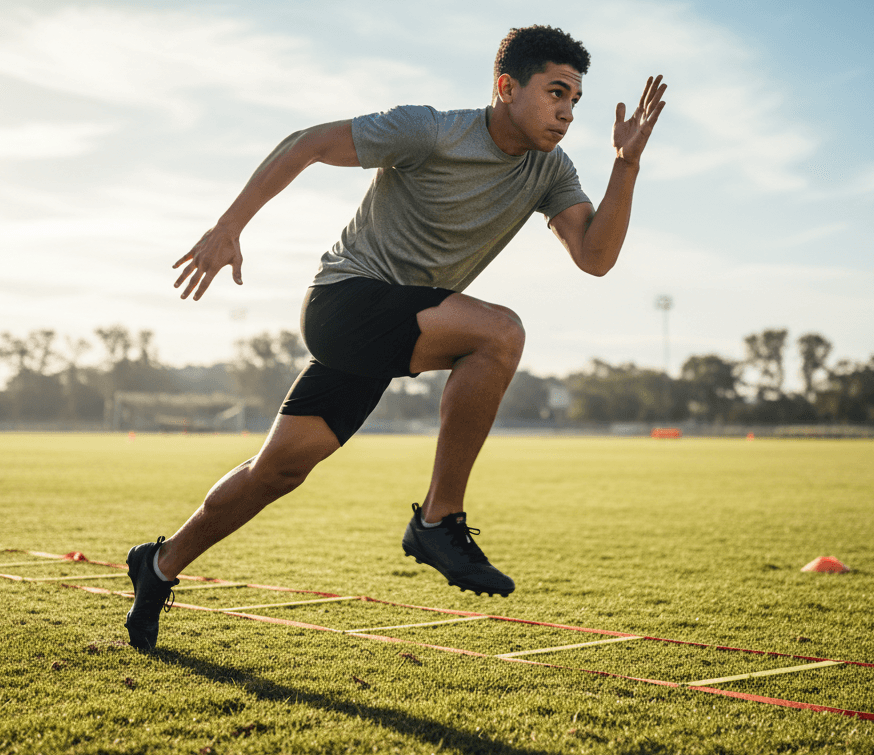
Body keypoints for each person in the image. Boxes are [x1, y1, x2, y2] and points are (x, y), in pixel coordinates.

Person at [123, 25, 667, 650]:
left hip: (393, 328)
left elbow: (595, 257)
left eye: (575, 100)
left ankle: (158, 565)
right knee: (499, 334)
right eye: (555, 93)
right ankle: (439, 519)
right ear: (506, 87)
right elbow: (306, 144)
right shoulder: (429, 130)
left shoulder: (551, 170)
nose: (567, 113)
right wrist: (228, 227)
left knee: (276, 471)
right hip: (345, 303)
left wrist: (625, 164)